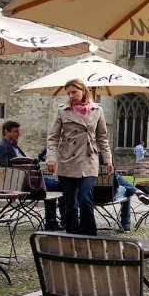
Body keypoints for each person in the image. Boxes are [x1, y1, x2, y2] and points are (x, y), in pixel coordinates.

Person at [46, 78, 113, 236]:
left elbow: (102, 137)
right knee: (70, 203)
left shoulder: (97, 110)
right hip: (68, 160)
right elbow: (53, 137)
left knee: (85, 199)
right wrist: (51, 158)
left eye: (74, 92)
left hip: (89, 160)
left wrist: (108, 160)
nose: (71, 95)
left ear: (83, 91)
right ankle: (72, 235)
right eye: (68, 93)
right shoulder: (63, 110)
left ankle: (89, 235)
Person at [0, 120, 64, 231]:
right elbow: (3, 170)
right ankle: (57, 220)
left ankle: (53, 220)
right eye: (15, 131)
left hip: (29, 180)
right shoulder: (1, 147)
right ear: (6, 132)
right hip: (20, 184)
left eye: (18, 131)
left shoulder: (14, 147)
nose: (19, 134)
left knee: (61, 183)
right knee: (60, 186)